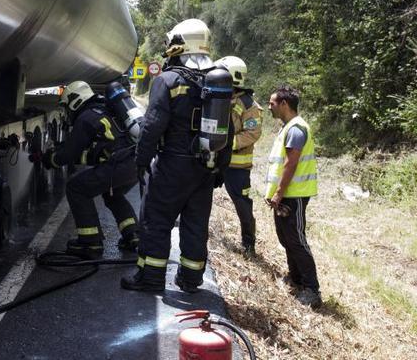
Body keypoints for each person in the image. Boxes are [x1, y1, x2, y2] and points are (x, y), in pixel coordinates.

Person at [120, 18, 232, 293]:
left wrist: (141, 160)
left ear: (181, 44)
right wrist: (221, 169)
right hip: (205, 165)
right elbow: (228, 129)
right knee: (195, 223)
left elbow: (152, 126)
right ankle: (191, 279)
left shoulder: (169, 80)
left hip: (172, 164)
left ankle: (151, 278)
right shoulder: (218, 80)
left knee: (156, 218)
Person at [38, 80, 140, 260]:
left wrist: (49, 159)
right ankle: (133, 235)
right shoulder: (105, 109)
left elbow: (69, 154)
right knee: (113, 195)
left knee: (76, 188)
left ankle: (90, 242)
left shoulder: (85, 117)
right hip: (135, 164)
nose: (67, 111)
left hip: (118, 166)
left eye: (67, 106)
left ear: (75, 101)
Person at [265, 85, 321, 308]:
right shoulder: (288, 127)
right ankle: (296, 278)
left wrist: (279, 193)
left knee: (296, 240)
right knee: (285, 238)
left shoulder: (296, 129)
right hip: (285, 195)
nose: (270, 106)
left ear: (284, 104)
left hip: (293, 195)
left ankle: (312, 289)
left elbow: (291, 163)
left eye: (272, 103)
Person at [215, 56, 263, 255]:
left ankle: (249, 243)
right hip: (215, 161)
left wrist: (226, 145)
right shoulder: (217, 96)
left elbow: (252, 133)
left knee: (242, 204)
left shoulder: (249, 106)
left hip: (237, 167)